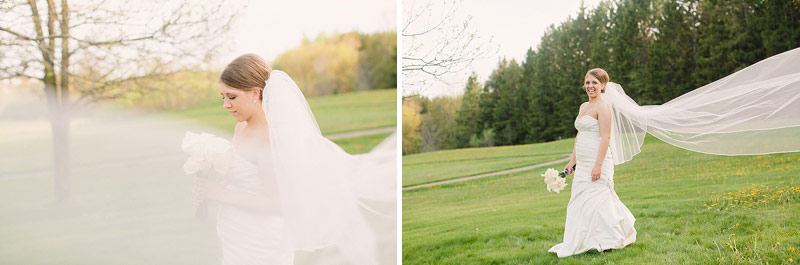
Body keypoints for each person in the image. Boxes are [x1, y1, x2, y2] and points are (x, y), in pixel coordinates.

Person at [194, 54, 396, 265]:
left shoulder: (268, 138)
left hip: (260, 244)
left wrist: (223, 194)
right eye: (223, 97)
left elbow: (278, 204)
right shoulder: (240, 128)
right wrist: (212, 187)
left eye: (232, 97)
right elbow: (245, 182)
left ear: (255, 93)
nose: (226, 105)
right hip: (236, 234)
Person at [548, 68, 636, 258]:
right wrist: (573, 160)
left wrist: (597, 165)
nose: (590, 86)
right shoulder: (583, 107)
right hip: (583, 161)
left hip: (599, 161)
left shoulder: (603, 108)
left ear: (603, 85)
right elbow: (580, 134)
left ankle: (608, 239)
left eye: (595, 83)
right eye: (588, 82)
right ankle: (583, 240)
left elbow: (605, 138)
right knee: (578, 202)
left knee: (598, 200)